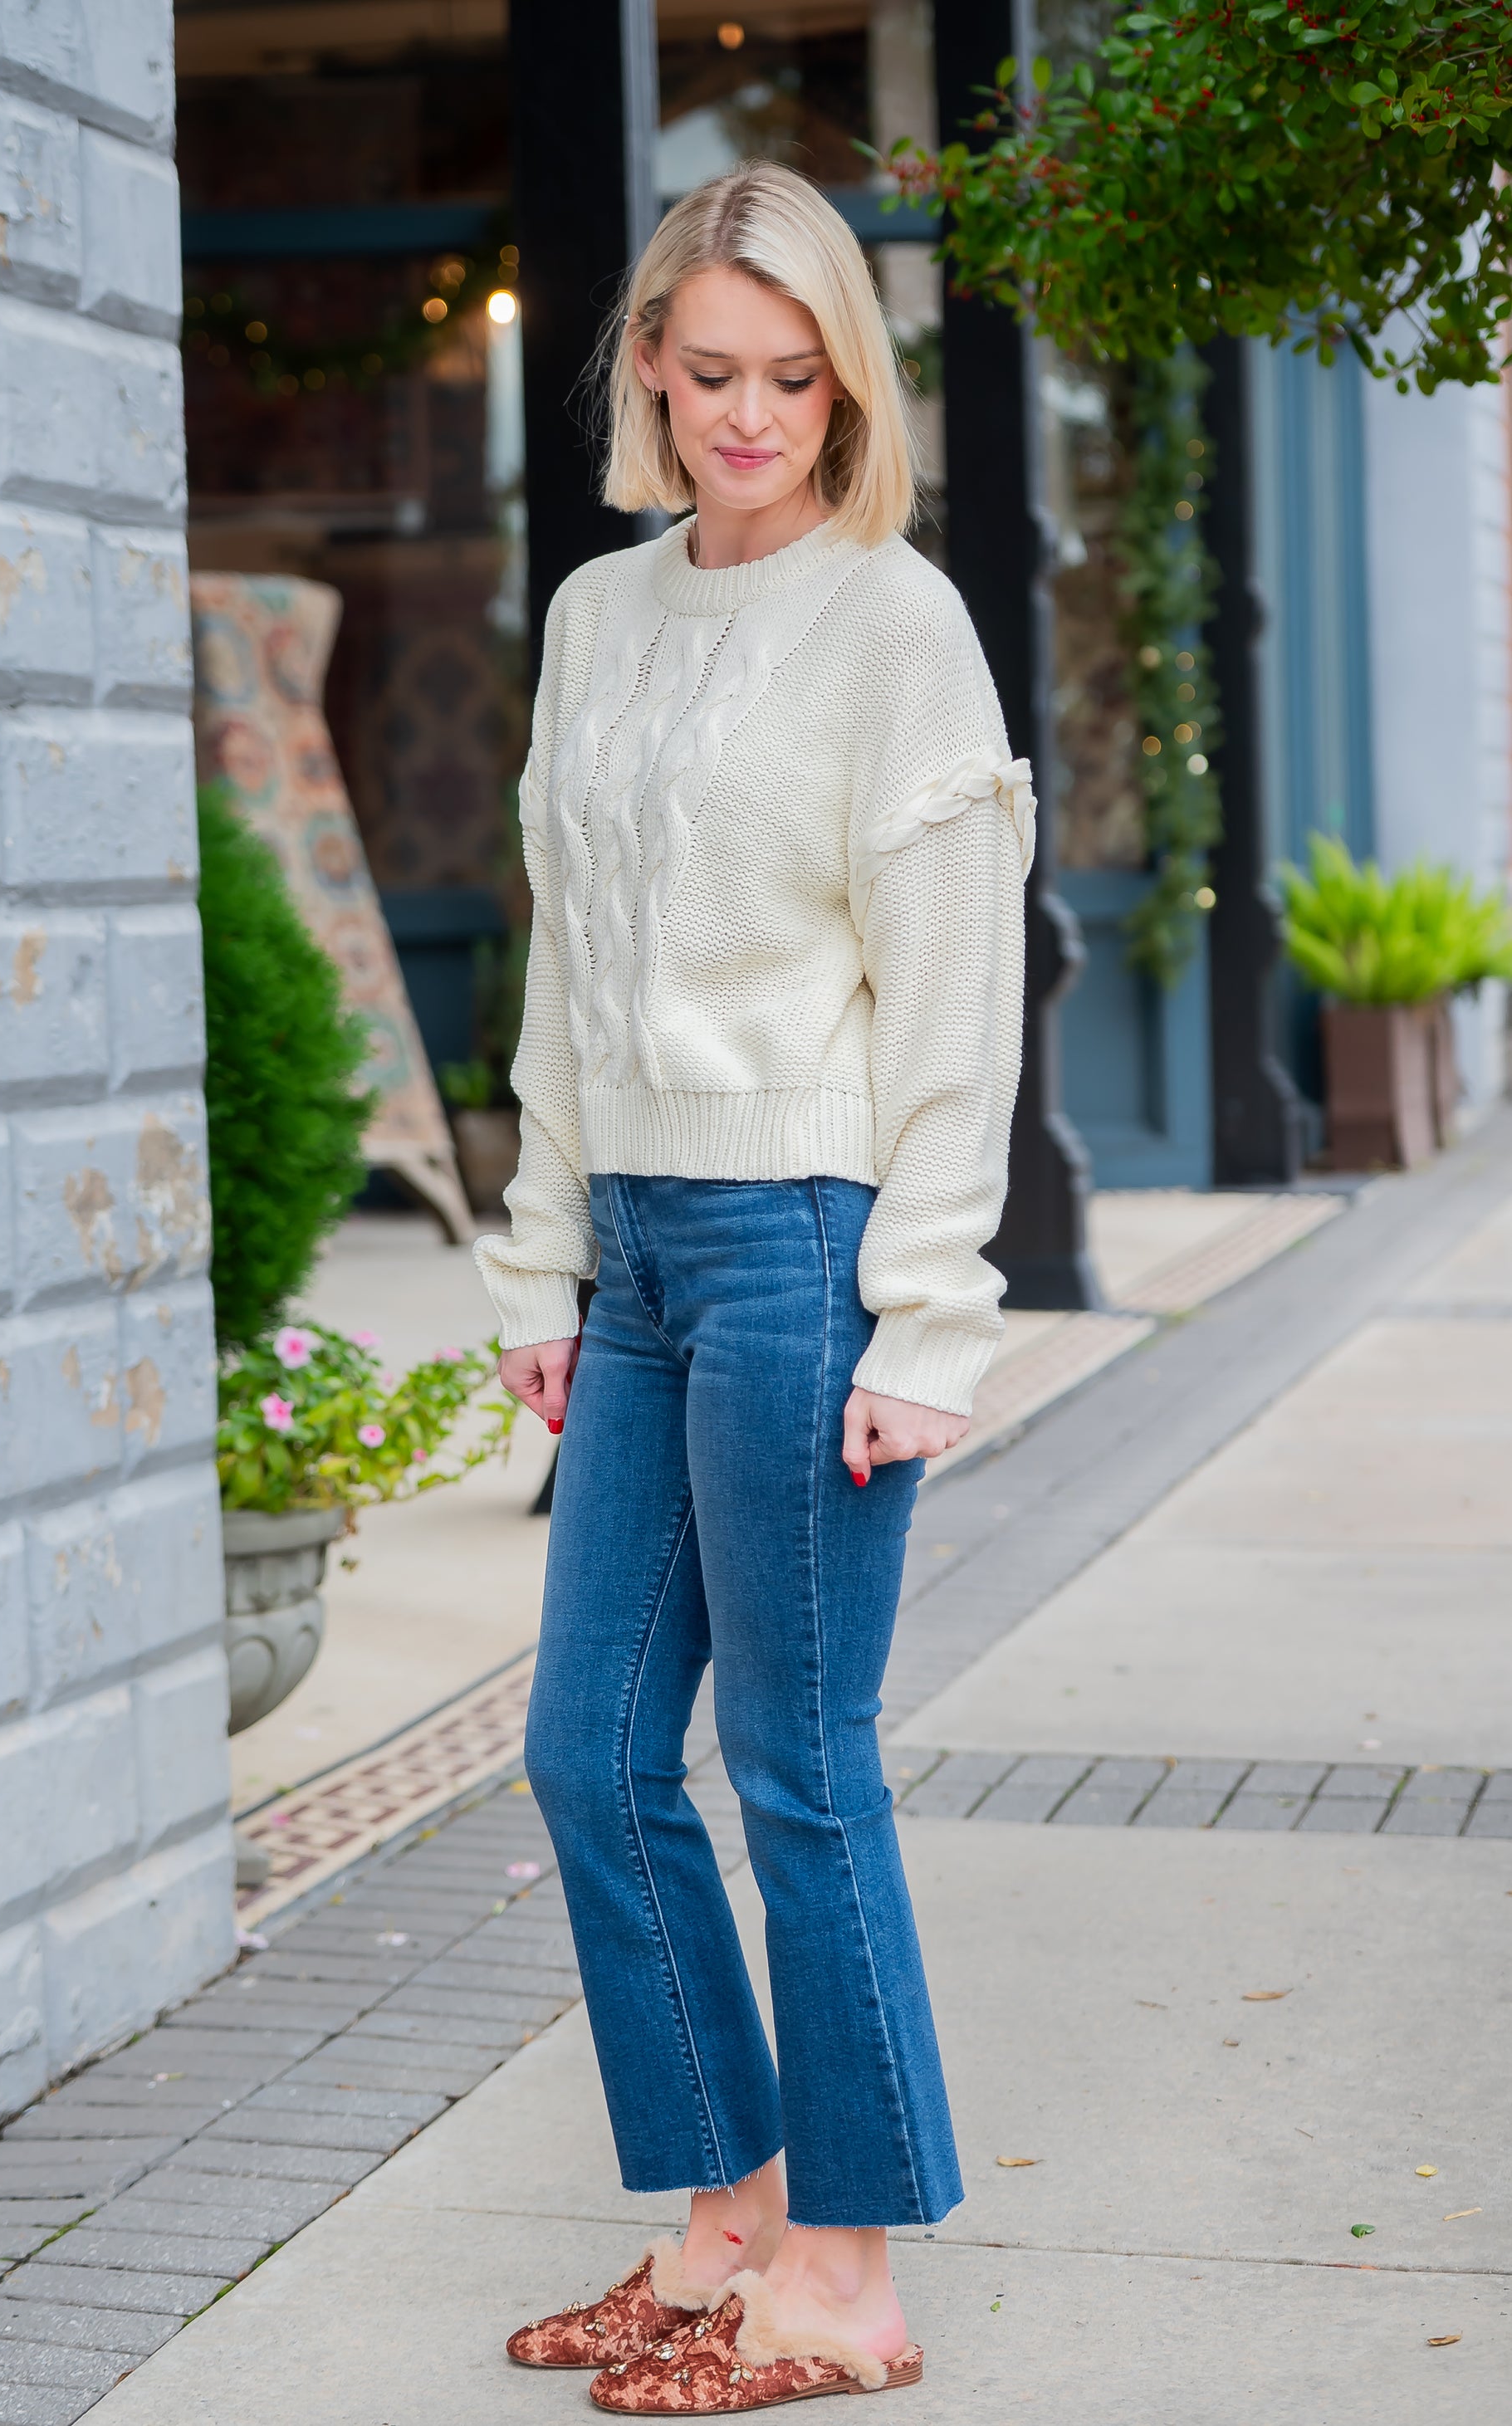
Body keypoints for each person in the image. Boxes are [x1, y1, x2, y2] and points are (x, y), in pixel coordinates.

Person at [474, 158, 1031, 2414]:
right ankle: (720, 2224)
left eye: (793, 379)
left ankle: (847, 2280)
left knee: (797, 1772)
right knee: (590, 1753)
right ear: (643, 367)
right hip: (633, 1251)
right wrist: (543, 1253)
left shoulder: (897, 624)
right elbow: (565, 966)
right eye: (709, 372)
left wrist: (932, 1314)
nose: (747, 417)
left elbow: (954, 994)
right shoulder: (599, 617)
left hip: (805, 1240)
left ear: (846, 388)